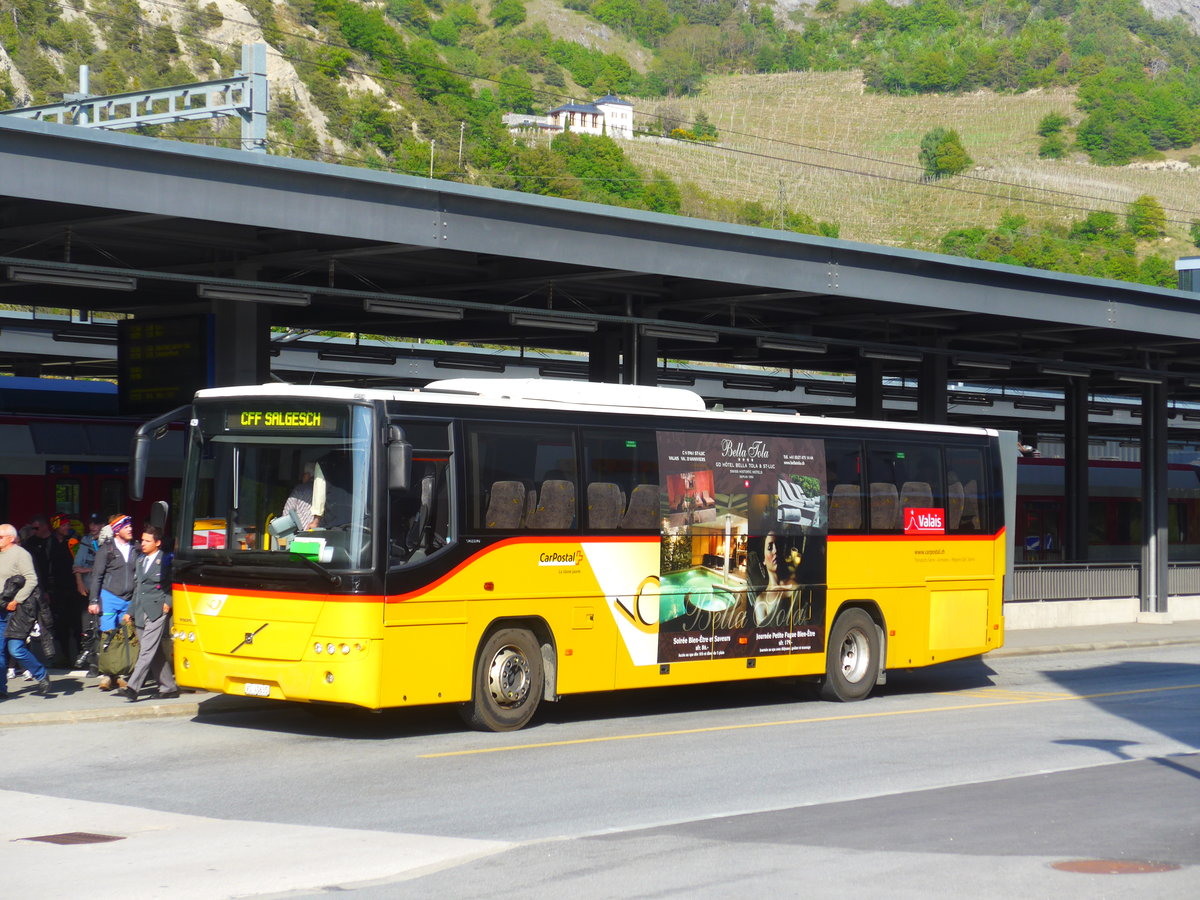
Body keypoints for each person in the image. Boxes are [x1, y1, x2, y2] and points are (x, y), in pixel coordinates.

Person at [119, 525, 177, 701]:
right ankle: (169, 687)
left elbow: (173, 584)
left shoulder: (165, 560)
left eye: (147, 541)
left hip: (157, 610)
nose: (142, 543)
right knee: (154, 651)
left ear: (157, 543)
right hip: (141, 610)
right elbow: (138, 588)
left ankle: (133, 687)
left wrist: (168, 602)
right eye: (142, 540)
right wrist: (130, 611)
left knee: (146, 651)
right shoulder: (140, 560)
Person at [0, 523, 51, 697]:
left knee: (16, 649)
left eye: (0, 537)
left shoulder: (21, 554)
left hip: (17, 610)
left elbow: (32, 579)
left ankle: (41, 674)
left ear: (11, 538)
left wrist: (17, 600)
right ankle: (1, 689)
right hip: (1, 609)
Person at [88, 514, 138, 691]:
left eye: (130, 526)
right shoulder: (106, 550)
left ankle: (122, 673)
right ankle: (107, 675)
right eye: (126, 527)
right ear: (117, 530)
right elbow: (97, 576)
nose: (130, 529)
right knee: (108, 636)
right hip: (109, 597)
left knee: (125, 637)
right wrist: (93, 600)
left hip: (129, 599)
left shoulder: (136, 548)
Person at [46, 513, 82, 667]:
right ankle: (66, 657)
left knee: (77, 624)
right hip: (58, 590)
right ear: (56, 527)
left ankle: (81, 656)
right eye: (64, 525)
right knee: (61, 625)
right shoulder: (49, 543)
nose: (67, 527)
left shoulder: (74, 541)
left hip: (74, 588)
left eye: (68, 525)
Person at [72, 514, 105, 673]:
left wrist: (88, 569)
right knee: (87, 627)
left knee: (101, 626)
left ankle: (102, 661)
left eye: (96, 524)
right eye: (91, 524)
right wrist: (79, 582)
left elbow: (106, 568)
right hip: (87, 589)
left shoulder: (108, 543)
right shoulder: (85, 541)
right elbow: (76, 566)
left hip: (104, 591)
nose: (93, 527)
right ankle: (92, 662)